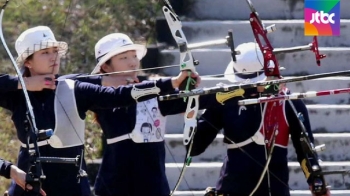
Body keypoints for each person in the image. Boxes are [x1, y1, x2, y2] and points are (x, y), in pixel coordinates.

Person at [0, 26, 196, 196]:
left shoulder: (74, 88)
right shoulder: (15, 95)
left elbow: (118, 95)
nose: (54, 57)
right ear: (28, 62)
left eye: (55, 51)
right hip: (29, 187)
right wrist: (24, 83)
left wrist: (171, 83)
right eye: (45, 53)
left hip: (72, 188)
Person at [189, 42, 331, 196]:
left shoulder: (289, 102)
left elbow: (306, 150)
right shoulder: (227, 100)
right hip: (231, 190)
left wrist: (316, 182)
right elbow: (194, 147)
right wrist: (189, 115)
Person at [85, 33, 217, 196]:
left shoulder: (154, 92)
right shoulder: (100, 95)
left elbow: (199, 100)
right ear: (105, 66)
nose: (133, 62)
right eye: (123, 58)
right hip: (115, 185)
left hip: (153, 185)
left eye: (134, 56)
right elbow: (72, 83)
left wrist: (187, 88)